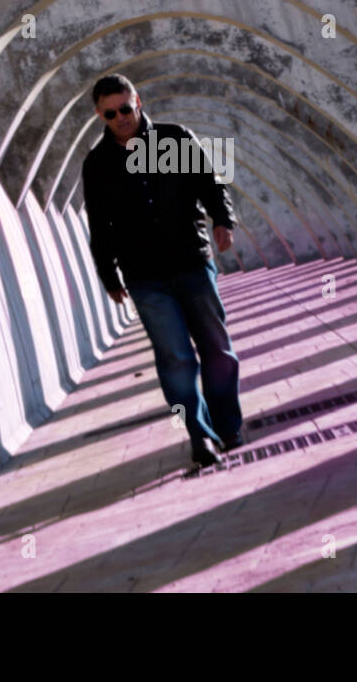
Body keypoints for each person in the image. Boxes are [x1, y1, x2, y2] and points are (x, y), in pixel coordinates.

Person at [80, 74, 245, 468]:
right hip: (144, 275)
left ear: (137, 100)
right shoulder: (98, 164)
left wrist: (223, 219)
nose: (120, 117)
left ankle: (227, 426)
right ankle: (200, 436)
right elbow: (99, 224)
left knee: (217, 350)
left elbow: (211, 183)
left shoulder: (174, 139)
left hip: (191, 260)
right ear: (99, 115)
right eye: (110, 113)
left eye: (125, 108)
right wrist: (108, 275)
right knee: (174, 358)